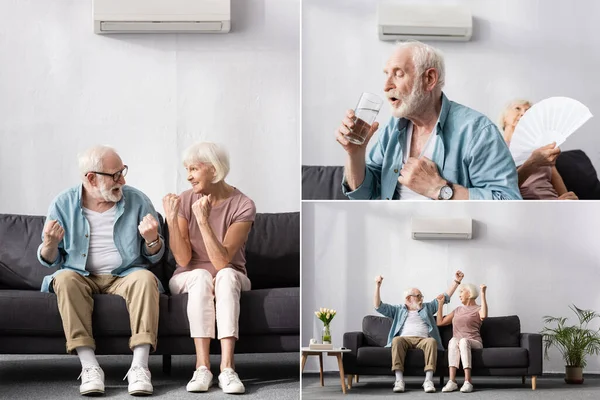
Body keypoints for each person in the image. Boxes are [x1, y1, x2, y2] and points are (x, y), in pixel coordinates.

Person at [37, 145, 164, 396]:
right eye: (115, 175)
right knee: (64, 278)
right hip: (80, 275)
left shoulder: (138, 201)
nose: (123, 180)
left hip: (125, 274)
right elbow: (50, 260)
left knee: (146, 279)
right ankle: (90, 367)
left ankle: (140, 367)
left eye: (123, 172)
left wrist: (152, 240)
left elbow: (155, 256)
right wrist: (50, 244)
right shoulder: (62, 204)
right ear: (91, 178)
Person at [335, 41, 521, 200]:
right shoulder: (392, 129)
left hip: (449, 238)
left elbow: (507, 200)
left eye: (398, 74)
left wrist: (440, 189)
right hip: (391, 235)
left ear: (429, 79)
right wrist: (355, 155)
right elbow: (363, 196)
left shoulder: (477, 131)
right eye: (386, 74)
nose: (386, 86)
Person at [163, 142, 256, 394]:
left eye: (194, 169)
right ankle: (202, 367)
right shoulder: (184, 200)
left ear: (214, 170)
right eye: (187, 169)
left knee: (223, 275)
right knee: (202, 276)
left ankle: (227, 368)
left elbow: (222, 262)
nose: (188, 176)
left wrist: (203, 221)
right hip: (188, 276)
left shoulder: (243, 205)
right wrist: (171, 219)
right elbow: (182, 260)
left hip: (232, 274)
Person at [374, 270, 465, 393]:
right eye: (419, 296)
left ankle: (428, 381)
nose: (421, 298)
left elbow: (445, 297)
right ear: (408, 298)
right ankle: (399, 381)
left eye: (421, 296)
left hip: (423, 339)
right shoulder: (398, 310)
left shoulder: (427, 307)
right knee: (396, 340)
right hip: (404, 339)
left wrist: (456, 281)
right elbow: (379, 306)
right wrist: (378, 286)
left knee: (432, 341)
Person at [499, 99, 578, 200]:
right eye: (517, 109)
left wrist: (567, 199)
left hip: (553, 202)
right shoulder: (498, 148)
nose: (523, 113)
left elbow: (556, 178)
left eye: (528, 111)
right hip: (527, 205)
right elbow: (501, 188)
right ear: (504, 117)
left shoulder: (539, 148)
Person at [437, 283, 488, 393]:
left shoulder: (478, 309)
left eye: (461, 292)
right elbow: (440, 322)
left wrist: (483, 293)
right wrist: (440, 305)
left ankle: (468, 381)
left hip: (474, 342)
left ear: (469, 293)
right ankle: (452, 381)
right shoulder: (458, 310)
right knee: (453, 340)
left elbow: (483, 315)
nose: (459, 295)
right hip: (458, 342)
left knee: (463, 341)